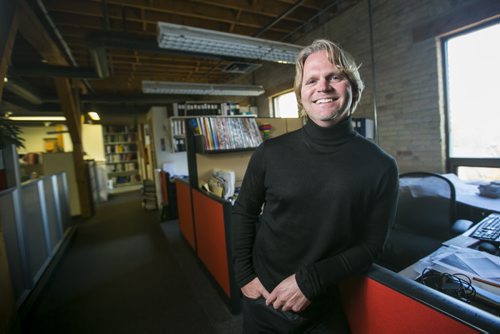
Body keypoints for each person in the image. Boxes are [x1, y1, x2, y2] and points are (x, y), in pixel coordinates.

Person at [231, 39, 399, 333]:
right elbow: (244, 212)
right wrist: (244, 276)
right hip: (263, 302)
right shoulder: (270, 152)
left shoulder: (381, 165)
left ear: (353, 88)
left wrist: (312, 279)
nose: (323, 87)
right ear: (301, 94)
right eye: (311, 80)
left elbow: (373, 245)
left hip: (324, 304)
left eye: (334, 76)